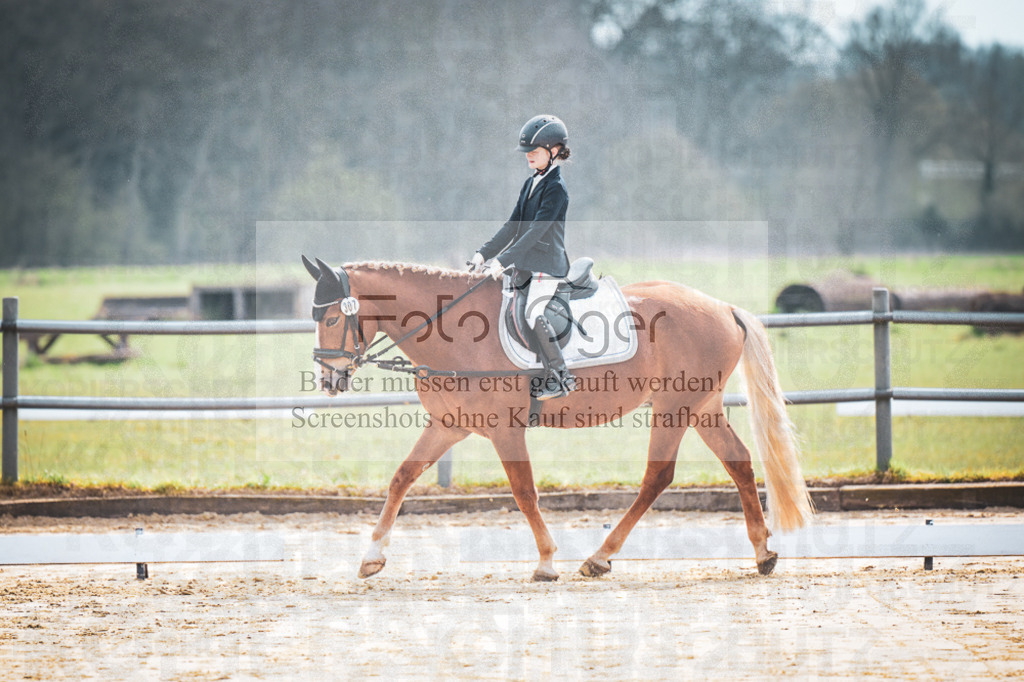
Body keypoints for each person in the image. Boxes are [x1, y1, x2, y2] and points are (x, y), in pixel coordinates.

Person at [470, 114, 576, 401]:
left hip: (546, 267)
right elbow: (512, 226)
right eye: (527, 151)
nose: (529, 155)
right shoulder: (532, 182)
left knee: (534, 312)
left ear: (554, 151)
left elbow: (534, 234)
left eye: (536, 150)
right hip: (526, 266)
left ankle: (561, 376)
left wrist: (503, 261)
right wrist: (483, 254)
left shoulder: (556, 189)